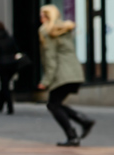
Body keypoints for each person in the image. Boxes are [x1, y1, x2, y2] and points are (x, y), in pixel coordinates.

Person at [38, 4, 95, 147]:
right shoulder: (63, 29)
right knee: (55, 104)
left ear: (47, 17)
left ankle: (74, 134)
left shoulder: (47, 31)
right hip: (74, 72)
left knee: (53, 105)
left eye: (42, 16)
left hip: (62, 74)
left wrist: (46, 80)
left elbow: (51, 59)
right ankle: (82, 122)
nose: (40, 18)